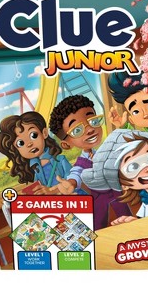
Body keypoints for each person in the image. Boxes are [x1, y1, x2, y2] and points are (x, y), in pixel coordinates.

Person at [48, 95, 132, 230]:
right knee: (97, 225)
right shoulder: (82, 161)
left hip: (117, 191)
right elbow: (76, 173)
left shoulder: (105, 150)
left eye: (93, 121)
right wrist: (71, 183)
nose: (90, 129)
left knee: (128, 220)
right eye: (77, 130)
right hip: (98, 197)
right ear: (66, 144)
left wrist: (121, 127)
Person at [81, 130, 148, 226]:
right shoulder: (146, 201)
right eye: (133, 167)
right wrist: (133, 222)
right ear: (123, 185)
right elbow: (143, 223)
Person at [0, 111, 71, 194]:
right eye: (20, 143)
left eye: (33, 135)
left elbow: (73, 183)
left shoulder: (60, 160)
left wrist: (53, 191)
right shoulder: (35, 168)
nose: (29, 144)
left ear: (44, 133)